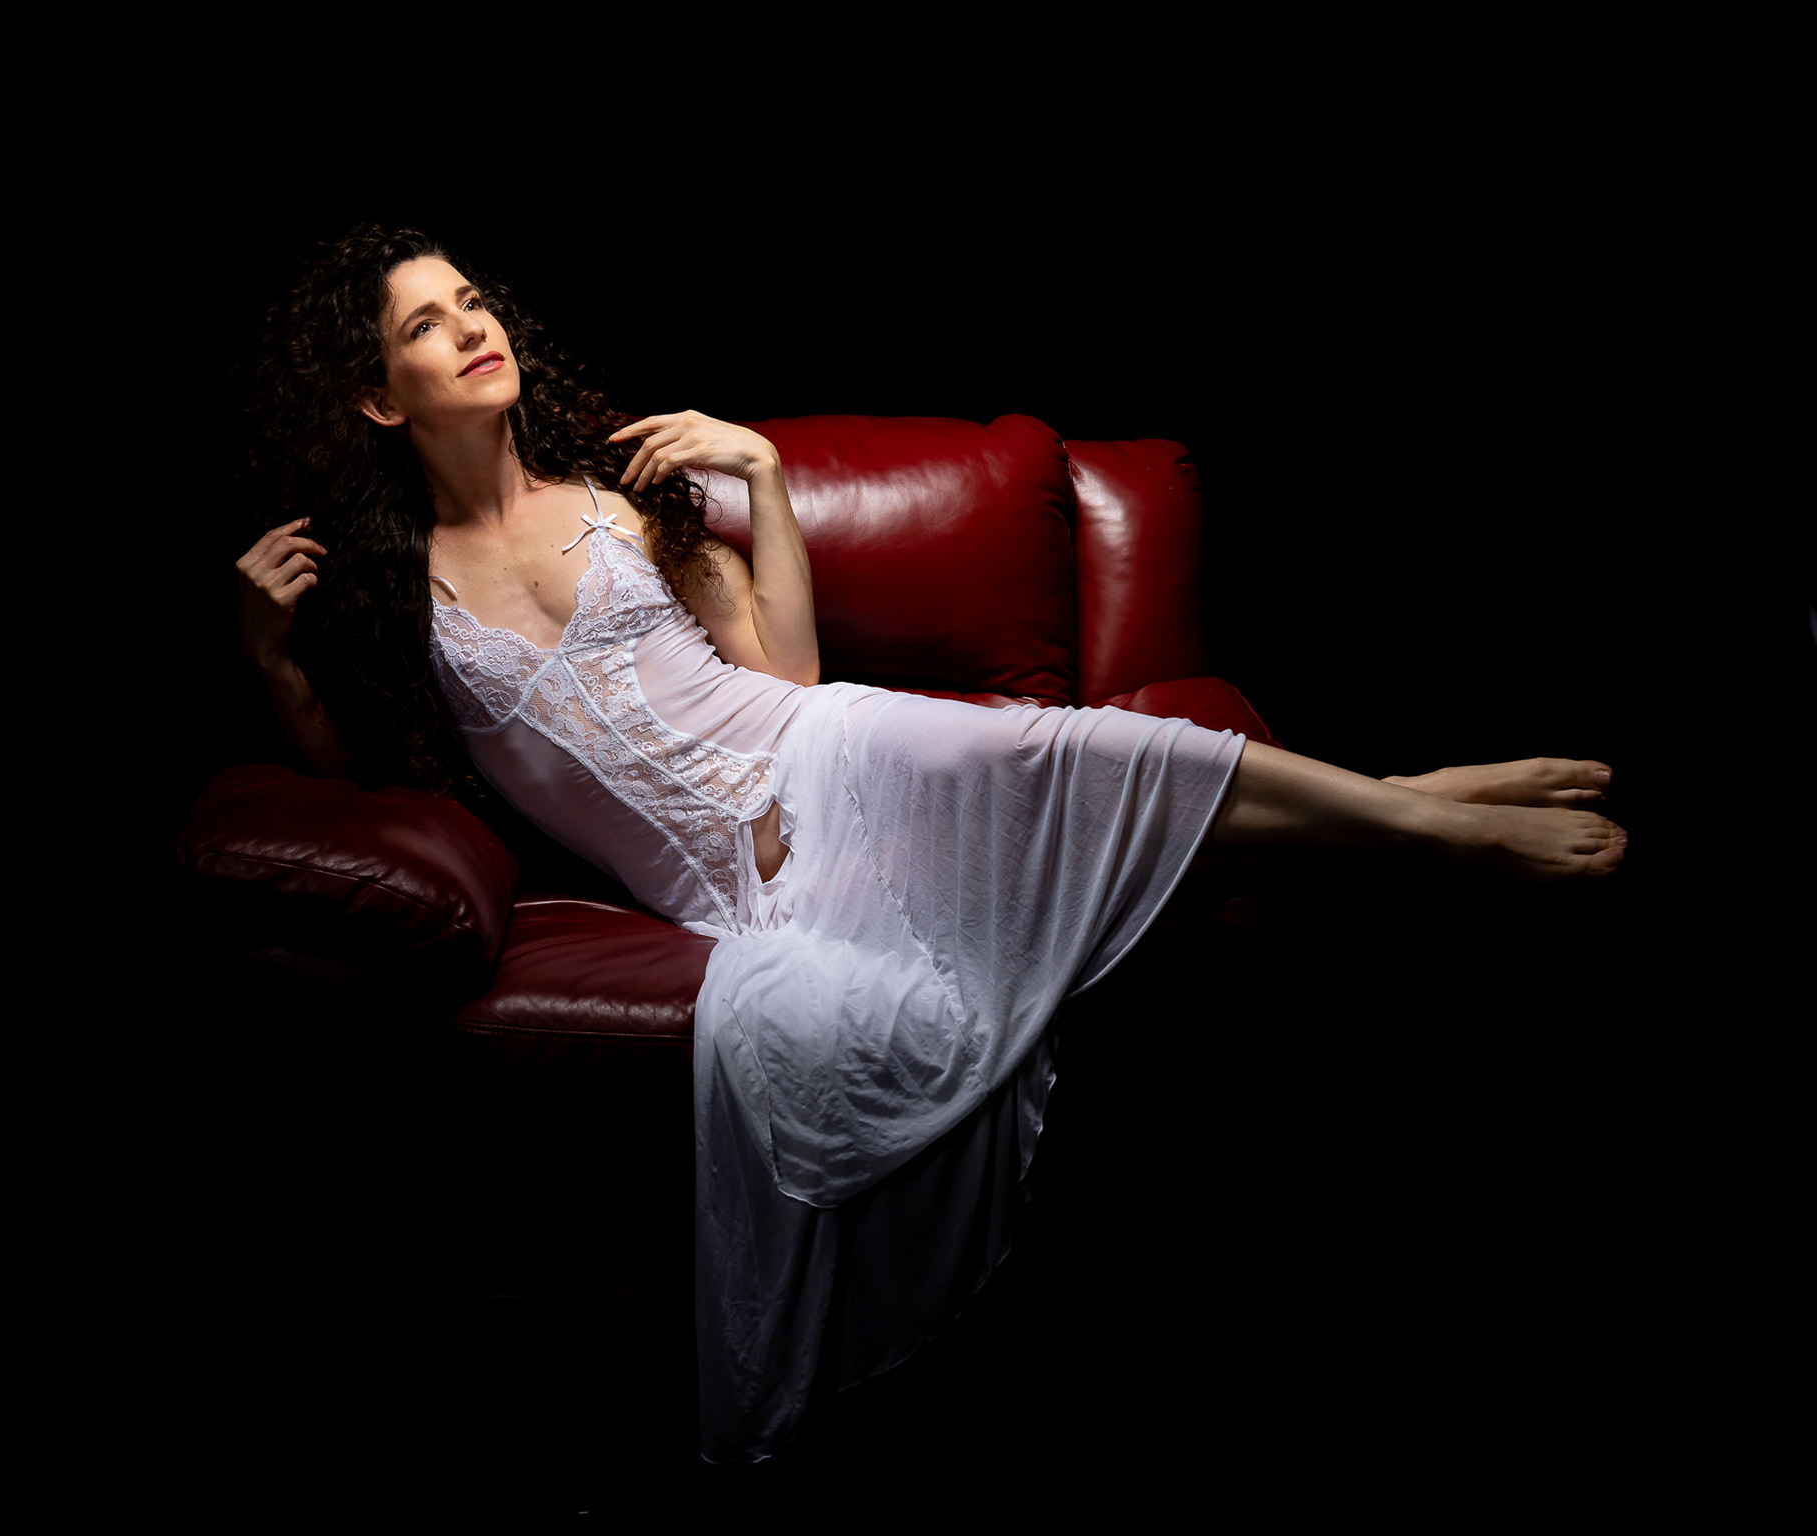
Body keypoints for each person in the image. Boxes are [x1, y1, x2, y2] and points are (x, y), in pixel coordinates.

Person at [235, 227, 1626, 1459]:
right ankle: (1402, 793)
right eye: (426, 325)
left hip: (826, 751)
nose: (473, 329)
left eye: (473, 302)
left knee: (1069, 754)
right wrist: (275, 659)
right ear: (378, 395)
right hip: (744, 899)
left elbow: (785, 678)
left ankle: (1433, 828)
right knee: (949, 944)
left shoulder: (617, 493)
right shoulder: (392, 597)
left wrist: (764, 476)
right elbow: (373, 789)